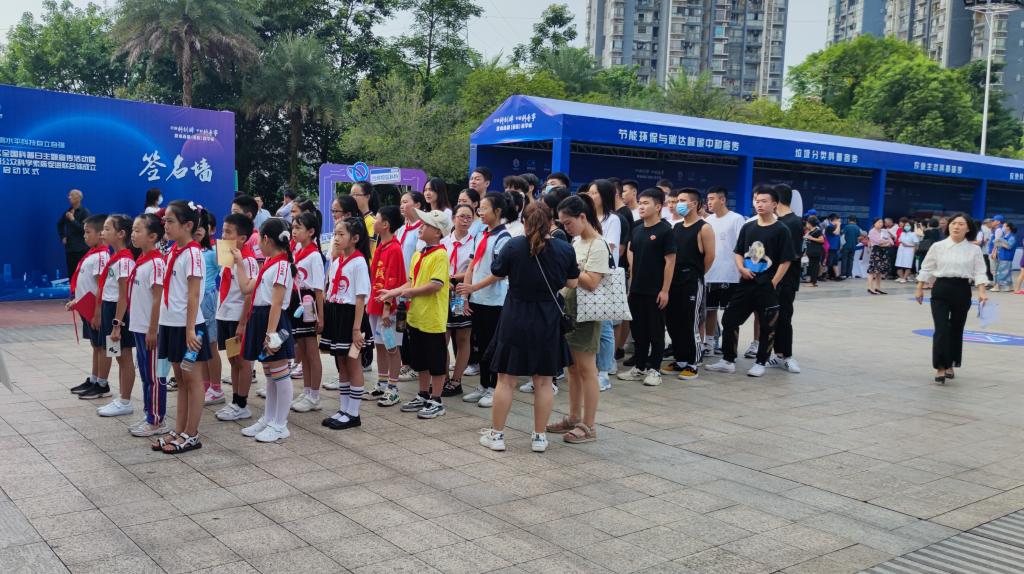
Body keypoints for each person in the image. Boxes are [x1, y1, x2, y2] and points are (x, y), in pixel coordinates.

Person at [480, 203, 579, 452]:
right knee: (544, 381)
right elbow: (572, 282)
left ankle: (497, 435)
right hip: (547, 319)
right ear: (551, 222)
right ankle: (539, 437)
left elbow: (498, 270)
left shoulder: (513, 246)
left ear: (524, 222)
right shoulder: (565, 248)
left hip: (515, 316)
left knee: (506, 379)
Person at [706, 185, 795, 377]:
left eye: (764, 201)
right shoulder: (749, 226)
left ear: (774, 204)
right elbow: (738, 251)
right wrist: (741, 268)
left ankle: (761, 362)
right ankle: (728, 360)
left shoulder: (781, 230)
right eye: (757, 201)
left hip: (767, 286)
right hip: (745, 284)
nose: (759, 204)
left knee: (767, 325)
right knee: (730, 319)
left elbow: (786, 260)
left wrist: (773, 282)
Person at [544, 194, 608, 444]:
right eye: (562, 223)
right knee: (572, 368)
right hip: (570, 312)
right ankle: (573, 417)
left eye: (568, 222)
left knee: (587, 369)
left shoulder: (598, 244)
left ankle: (589, 425)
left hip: (587, 315)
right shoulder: (577, 241)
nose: (566, 228)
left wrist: (569, 267)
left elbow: (592, 282)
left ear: (583, 217)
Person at [379, 209, 453, 420]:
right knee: (420, 359)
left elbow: (435, 285)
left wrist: (409, 292)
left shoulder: (440, 255)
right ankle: (423, 394)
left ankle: (436, 399)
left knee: (436, 361)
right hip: (416, 316)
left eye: (426, 224)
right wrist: (394, 292)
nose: (421, 226)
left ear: (438, 232)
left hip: (433, 318)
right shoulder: (418, 254)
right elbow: (411, 282)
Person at [152, 201, 210, 453]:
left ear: (187, 225)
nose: (165, 225)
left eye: (170, 221)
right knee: (181, 379)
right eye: (164, 220)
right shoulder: (174, 250)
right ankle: (179, 429)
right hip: (171, 323)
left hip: (188, 326)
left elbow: (194, 294)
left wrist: (189, 330)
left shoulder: (193, 254)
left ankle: (192, 434)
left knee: (192, 380)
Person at [240, 218, 297, 443]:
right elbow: (248, 288)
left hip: (273, 321)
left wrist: (271, 335)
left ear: (266, 239)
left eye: (259, 241)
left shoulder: (281, 265)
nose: (257, 245)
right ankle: (269, 418)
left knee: (280, 374)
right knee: (271, 375)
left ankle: (280, 424)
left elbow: (277, 302)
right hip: (262, 319)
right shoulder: (272, 262)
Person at [915, 213, 987, 384]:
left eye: (961, 224)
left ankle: (951, 363)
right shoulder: (938, 246)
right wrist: (919, 288)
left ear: (968, 228)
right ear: (948, 226)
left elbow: (979, 272)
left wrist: (982, 292)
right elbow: (926, 268)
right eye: (953, 223)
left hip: (962, 290)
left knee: (956, 328)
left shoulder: (974, 250)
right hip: (941, 288)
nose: (956, 226)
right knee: (941, 329)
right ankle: (940, 366)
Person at [458, 192, 512, 407]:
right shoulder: (481, 235)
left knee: (493, 345)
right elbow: (472, 265)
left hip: (494, 302)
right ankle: (482, 385)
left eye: (484, 208)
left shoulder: (503, 238)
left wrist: (474, 287)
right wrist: (466, 294)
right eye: (479, 208)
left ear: (497, 211)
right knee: (479, 343)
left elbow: (499, 273)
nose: (479, 212)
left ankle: (493, 387)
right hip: (478, 299)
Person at [619, 188, 676, 386]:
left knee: (656, 332)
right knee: (639, 331)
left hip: (656, 291)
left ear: (658, 206)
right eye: (640, 203)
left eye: (646, 203)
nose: (641, 207)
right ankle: (640, 367)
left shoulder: (665, 231)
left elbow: (670, 262)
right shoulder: (636, 230)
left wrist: (665, 290)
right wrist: (631, 287)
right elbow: (633, 262)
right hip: (637, 289)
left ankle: (655, 370)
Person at [321, 217, 373, 429]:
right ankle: (343, 409)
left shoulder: (359, 262)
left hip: (352, 316)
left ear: (355, 238)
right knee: (341, 362)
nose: (336, 238)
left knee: (353, 363)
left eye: (341, 234)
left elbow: (360, 297)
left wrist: (356, 328)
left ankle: (353, 413)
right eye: (335, 234)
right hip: (337, 314)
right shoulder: (338, 261)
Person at [662, 189, 714, 380]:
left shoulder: (704, 228)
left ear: (694, 204)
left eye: (682, 200)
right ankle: (681, 359)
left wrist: (696, 275)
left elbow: (710, 256)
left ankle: (693, 362)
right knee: (673, 321)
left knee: (690, 322)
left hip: (691, 282)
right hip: (674, 281)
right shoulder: (676, 227)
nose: (678, 204)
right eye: (677, 200)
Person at [213, 214, 258, 422]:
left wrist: (242, 323)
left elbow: (249, 294)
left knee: (242, 361)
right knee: (233, 360)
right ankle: (235, 401)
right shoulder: (227, 257)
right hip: (224, 315)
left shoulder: (248, 261)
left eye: (228, 232)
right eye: (223, 231)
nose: (224, 235)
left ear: (242, 238)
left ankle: (242, 404)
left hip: (237, 317)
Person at [127, 214, 168, 436]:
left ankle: (156, 421)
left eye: (138, 230)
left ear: (152, 236)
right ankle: (149, 414)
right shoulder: (142, 261)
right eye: (133, 230)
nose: (133, 234)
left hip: (150, 330)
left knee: (154, 376)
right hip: (139, 328)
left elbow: (158, 298)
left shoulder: (156, 263)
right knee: (145, 374)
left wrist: (153, 329)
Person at [95, 215, 137, 417]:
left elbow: (124, 295)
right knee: (118, 355)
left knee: (125, 356)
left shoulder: (125, 261)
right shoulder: (116, 258)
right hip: (110, 309)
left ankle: (126, 401)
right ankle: (122, 399)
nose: (102, 233)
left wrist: (117, 324)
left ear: (121, 234)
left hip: (118, 313)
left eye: (107, 229)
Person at [585, 179, 623, 391]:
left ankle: (604, 372)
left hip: (604, 276)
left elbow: (610, 246)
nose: (591, 196)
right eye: (589, 193)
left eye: (595, 193)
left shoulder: (613, 219)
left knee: (605, 326)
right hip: (586, 273)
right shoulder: (587, 217)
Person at [366, 206, 406, 406]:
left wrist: (386, 309)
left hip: (388, 309)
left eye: (377, 219)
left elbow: (393, 281)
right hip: (376, 305)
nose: (374, 222)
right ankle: (382, 384)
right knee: (380, 345)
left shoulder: (395, 249)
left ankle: (393, 388)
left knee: (392, 347)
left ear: (386, 225)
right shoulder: (381, 246)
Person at [67, 215, 110, 399]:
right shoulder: (91, 254)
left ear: (100, 234)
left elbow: (101, 285)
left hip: (95, 310)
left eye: (87, 232)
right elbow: (87, 285)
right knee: (95, 345)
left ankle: (102, 384)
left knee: (101, 346)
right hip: (87, 309)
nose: (84, 236)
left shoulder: (101, 256)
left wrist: (98, 312)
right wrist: (77, 301)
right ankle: (94, 379)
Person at [289, 211, 327, 412]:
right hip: (297, 303)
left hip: (309, 303)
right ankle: (306, 391)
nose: (294, 231)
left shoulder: (314, 255)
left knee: (312, 351)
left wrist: (320, 316)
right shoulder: (297, 252)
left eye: (298, 228)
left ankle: (315, 395)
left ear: (311, 231)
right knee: (302, 350)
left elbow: (318, 288)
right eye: (293, 227)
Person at [703, 186, 745, 356]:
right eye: (708, 199)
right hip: (710, 273)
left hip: (731, 275)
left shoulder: (736, 219)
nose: (709, 202)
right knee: (709, 311)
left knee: (730, 314)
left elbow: (742, 246)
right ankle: (709, 344)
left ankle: (729, 348)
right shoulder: (708, 221)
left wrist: (741, 269)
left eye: (712, 199)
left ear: (722, 200)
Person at [441, 204, 477, 397]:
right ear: (453, 218)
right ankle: (443, 378)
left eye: (469, 217)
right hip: (443, 293)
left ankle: (456, 380)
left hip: (460, 294)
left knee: (462, 337)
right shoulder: (443, 242)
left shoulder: (474, 243)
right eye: (461, 216)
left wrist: (455, 278)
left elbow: (473, 269)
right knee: (442, 337)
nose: (465, 220)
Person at [772, 184, 804, 374]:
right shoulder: (779, 220)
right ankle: (776, 354)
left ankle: (786, 356)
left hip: (786, 280)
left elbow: (791, 255)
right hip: (775, 278)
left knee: (784, 317)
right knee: (773, 317)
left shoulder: (792, 222)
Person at [195, 210, 224, 406]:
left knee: (211, 345)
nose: (198, 230)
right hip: (194, 301)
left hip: (208, 300)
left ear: (211, 229)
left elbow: (228, 273)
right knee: (201, 346)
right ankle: (205, 386)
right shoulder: (191, 250)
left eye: (202, 226)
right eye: (195, 225)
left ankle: (216, 388)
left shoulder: (214, 251)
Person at [58, 189, 91, 279]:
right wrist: (63, 236)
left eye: (71, 195)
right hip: (70, 248)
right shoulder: (68, 212)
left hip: (82, 249)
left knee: (82, 275)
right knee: (72, 275)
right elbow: (59, 224)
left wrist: (73, 220)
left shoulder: (85, 212)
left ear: (78, 198)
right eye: (69, 195)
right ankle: (73, 289)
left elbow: (85, 230)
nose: (69, 197)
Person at [351, 181, 380, 256]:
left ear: (367, 196)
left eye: (356, 195)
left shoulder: (372, 221)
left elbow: (367, 250)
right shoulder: (353, 219)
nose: (352, 198)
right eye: (351, 195)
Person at [867, 218, 894, 295]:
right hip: (876, 251)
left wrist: (886, 243)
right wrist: (886, 242)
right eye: (879, 222)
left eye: (882, 222)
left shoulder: (884, 231)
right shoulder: (872, 231)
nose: (881, 224)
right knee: (872, 270)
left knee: (880, 270)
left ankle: (878, 287)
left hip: (884, 252)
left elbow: (891, 242)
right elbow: (878, 242)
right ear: (874, 223)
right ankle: (870, 287)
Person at [992, 222, 1017, 292]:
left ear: (1008, 228)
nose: (1003, 227)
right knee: (1006, 273)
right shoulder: (1004, 236)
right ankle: (1009, 287)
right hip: (1001, 255)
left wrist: (1001, 242)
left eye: (1004, 226)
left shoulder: (1012, 237)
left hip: (1006, 257)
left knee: (1002, 273)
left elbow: (1009, 246)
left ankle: (998, 287)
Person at [804, 217, 825, 287]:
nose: (806, 224)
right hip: (811, 251)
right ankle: (812, 281)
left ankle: (813, 282)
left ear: (810, 224)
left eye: (807, 223)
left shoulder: (817, 231)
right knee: (811, 266)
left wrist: (811, 238)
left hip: (816, 251)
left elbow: (822, 240)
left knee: (814, 267)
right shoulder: (810, 231)